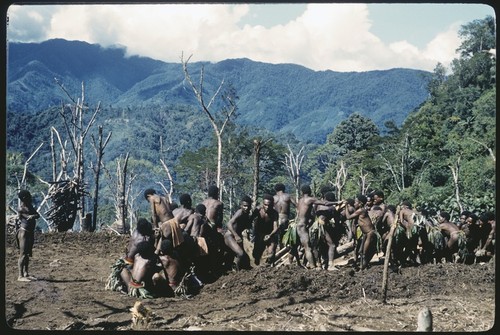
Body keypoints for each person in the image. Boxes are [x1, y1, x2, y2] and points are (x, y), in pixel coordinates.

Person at [295, 185, 339, 269]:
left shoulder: (300, 200)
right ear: (310, 191)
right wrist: (338, 202)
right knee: (311, 247)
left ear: (301, 192)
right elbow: (326, 203)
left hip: (301, 224)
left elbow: (310, 213)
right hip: (308, 225)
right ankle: (323, 266)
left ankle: (317, 265)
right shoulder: (311, 199)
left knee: (313, 245)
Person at [224, 195, 256, 271]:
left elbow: (247, 225)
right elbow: (229, 224)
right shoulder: (240, 212)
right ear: (241, 205)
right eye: (244, 206)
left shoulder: (246, 215)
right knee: (240, 254)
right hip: (230, 236)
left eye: (248, 206)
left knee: (245, 259)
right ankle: (238, 273)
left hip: (237, 237)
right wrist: (236, 235)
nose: (246, 208)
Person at [344, 194, 377, 270]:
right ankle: (363, 266)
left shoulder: (361, 210)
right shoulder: (360, 210)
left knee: (364, 252)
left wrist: (346, 206)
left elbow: (348, 217)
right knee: (360, 251)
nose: (354, 204)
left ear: (360, 203)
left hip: (369, 233)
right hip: (366, 234)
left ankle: (363, 267)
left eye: (356, 202)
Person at [16, 190, 40, 282]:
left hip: (30, 232)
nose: (31, 197)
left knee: (27, 254)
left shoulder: (30, 206)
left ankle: (26, 273)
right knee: (22, 254)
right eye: (29, 196)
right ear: (24, 198)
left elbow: (37, 215)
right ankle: (20, 276)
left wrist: (33, 216)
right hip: (24, 233)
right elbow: (24, 217)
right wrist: (31, 216)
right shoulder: (21, 208)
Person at [252, 194, 279, 266]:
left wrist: (269, 235)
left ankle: (270, 268)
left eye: (269, 205)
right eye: (265, 205)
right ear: (262, 203)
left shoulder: (274, 213)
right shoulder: (258, 210)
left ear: (272, 205)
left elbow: (275, 227)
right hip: (259, 234)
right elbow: (250, 219)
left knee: (271, 253)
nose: (267, 207)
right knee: (256, 255)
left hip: (270, 234)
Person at [273, 183, 295, 249]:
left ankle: (276, 251)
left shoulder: (274, 198)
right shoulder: (288, 196)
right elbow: (297, 205)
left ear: (276, 190)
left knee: (275, 236)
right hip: (284, 218)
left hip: (276, 219)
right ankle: (282, 250)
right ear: (284, 189)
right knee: (284, 236)